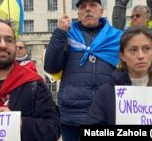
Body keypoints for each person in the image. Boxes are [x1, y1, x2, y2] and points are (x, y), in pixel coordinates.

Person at [44, 0, 123, 140]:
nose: (88, 9)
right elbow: (50, 67)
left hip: (105, 113)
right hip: (71, 115)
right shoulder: (67, 34)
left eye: (92, 5)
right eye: (83, 7)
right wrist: (59, 32)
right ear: (78, 14)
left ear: (101, 11)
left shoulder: (116, 37)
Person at [86, 25, 152, 125]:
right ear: (122, 55)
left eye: (146, 49)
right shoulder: (107, 92)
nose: (140, 55)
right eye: (133, 50)